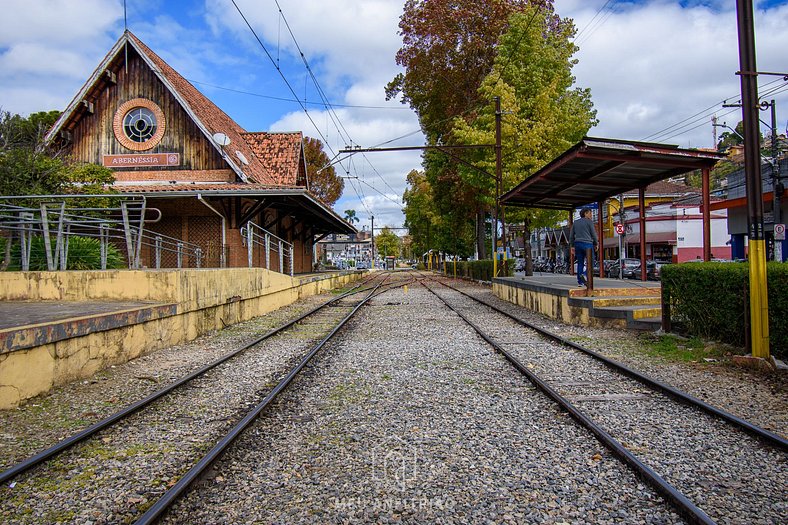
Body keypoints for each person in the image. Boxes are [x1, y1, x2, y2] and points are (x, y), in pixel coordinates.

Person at [569, 208, 599, 287]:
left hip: (577, 244)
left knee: (580, 262)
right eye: (590, 213)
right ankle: (585, 274)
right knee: (591, 261)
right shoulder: (589, 222)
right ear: (585, 214)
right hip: (587, 244)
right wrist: (596, 243)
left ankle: (580, 281)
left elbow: (571, 235)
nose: (591, 215)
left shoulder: (575, 222)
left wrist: (572, 246)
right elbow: (593, 234)